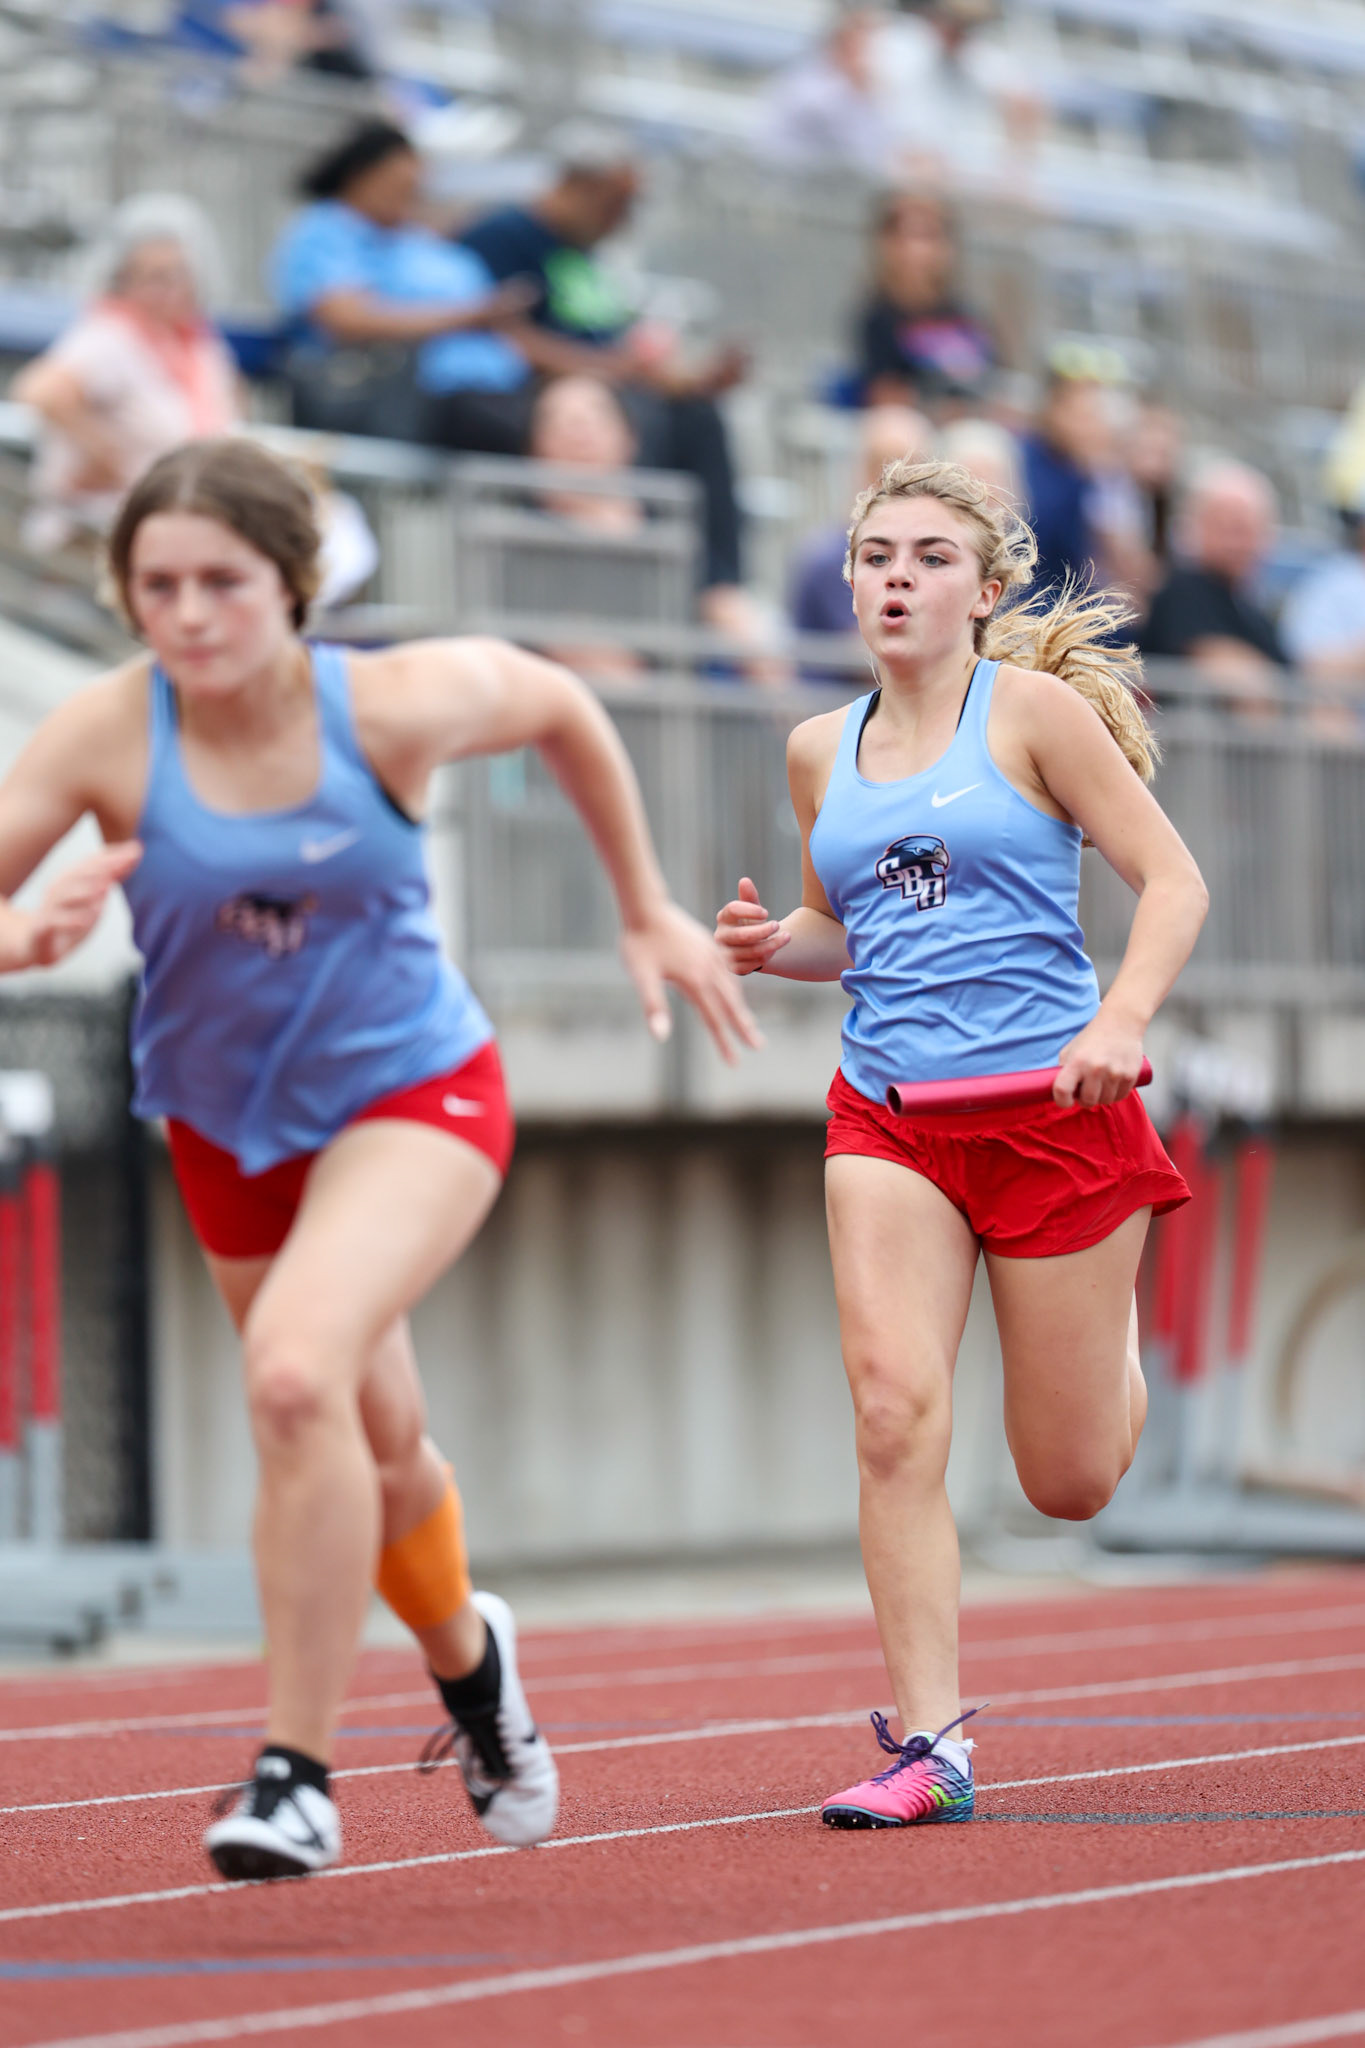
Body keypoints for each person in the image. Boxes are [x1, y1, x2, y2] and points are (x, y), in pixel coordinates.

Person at [0, 437, 757, 1880]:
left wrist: (642, 904)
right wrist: (22, 935)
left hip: (414, 1096)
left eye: (222, 581)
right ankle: (474, 1665)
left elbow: (563, 704)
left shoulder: (394, 702)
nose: (189, 614)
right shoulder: (108, 733)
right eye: (158, 586)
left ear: (292, 583)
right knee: (381, 1440)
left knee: (293, 1375)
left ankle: (293, 1776)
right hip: (225, 1125)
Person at [715, 455, 1203, 1828]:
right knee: (891, 1412)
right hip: (892, 1117)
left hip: (1057, 1114)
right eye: (877, 556)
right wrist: (772, 943)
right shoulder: (820, 747)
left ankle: (1107, 1354)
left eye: (930, 558)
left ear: (983, 593)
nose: (897, 579)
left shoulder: (1035, 715)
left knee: (1068, 1483)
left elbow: (1172, 881)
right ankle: (931, 1744)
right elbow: (843, 928)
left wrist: (1121, 1018)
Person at [459, 124, 756, 633]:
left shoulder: (587, 258)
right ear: (579, 187)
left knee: (699, 418)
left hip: (607, 390)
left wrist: (691, 382)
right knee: (595, 420)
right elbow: (500, 332)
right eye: (618, 202)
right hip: (530, 397)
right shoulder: (502, 236)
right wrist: (610, 370)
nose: (623, 218)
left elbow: (619, 350)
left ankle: (717, 584)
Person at [269, 121, 536, 446]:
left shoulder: (418, 243)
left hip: (490, 394)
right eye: (398, 186)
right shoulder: (324, 231)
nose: (408, 199)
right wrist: (471, 316)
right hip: (404, 401)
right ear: (360, 176)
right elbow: (348, 321)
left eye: (415, 190)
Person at [13, 195, 239, 555]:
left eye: (178, 275)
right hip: (98, 535)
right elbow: (41, 391)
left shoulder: (198, 344)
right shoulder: (110, 336)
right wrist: (106, 456)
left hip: (177, 528)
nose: (168, 291)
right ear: (121, 280)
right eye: (153, 278)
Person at [1138, 460, 1287, 705]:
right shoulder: (1182, 591)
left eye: (1247, 530)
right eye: (1226, 527)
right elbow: (1239, 682)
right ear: (1193, 526)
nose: (1236, 543)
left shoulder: (1254, 609)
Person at [791, 404, 937, 637]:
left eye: (912, 469)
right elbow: (869, 646)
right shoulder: (829, 558)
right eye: (882, 467)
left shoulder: (944, 556)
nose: (895, 483)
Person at [853, 191, 997, 414]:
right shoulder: (877, 319)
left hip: (974, 424)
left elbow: (997, 383)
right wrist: (941, 409)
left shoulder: (967, 317)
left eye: (929, 236)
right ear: (888, 244)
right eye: (908, 235)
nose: (918, 249)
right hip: (916, 424)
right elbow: (885, 398)